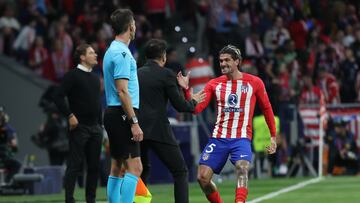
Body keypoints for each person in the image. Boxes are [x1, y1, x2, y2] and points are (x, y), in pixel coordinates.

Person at [179, 45, 277, 203]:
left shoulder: (254, 82)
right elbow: (196, 109)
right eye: (220, 61)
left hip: (241, 138)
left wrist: (273, 136)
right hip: (219, 138)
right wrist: (186, 91)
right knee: (202, 178)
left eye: (227, 60)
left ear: (237, 61)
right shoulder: (214, 84)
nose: (223, 64)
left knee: (242, 168)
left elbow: (267, 108)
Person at [137, 39, 205, 203]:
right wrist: (192, 99)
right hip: (158, 130)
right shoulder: (166, 74)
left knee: (141, 171)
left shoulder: (135, 73)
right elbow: (180, 105)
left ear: (146, 56)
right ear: (163, 57)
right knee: (180, 171)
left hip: (136, 129)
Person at [102, 9, 143, 203]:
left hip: (113, 112)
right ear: (130, 26)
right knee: (135, 168)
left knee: (117, 166)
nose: (135, 26)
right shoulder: (122, 54)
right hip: (122, 113)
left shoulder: (112, 50)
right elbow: (122, 91)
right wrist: (133, 121)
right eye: (134, 22)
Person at [53, 44, 103, 203]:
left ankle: (91, 200)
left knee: (94, 166)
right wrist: (69, 115)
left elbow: (97, 103)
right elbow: (58, 96)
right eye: (91, 52)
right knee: (75, 165)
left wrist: (100, 125)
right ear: (82, 57)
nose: (95, 55)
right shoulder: (72, 75)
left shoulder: (96, 78)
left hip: (96, 128)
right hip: (79, 127)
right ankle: (69, 199)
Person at [0, 106, 21, 183]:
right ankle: (7, 183)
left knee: (16, 164)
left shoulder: (7, 129)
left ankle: (7, 183)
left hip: (4, 157)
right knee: (16, 164)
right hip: (3, 157)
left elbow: (14, 146)